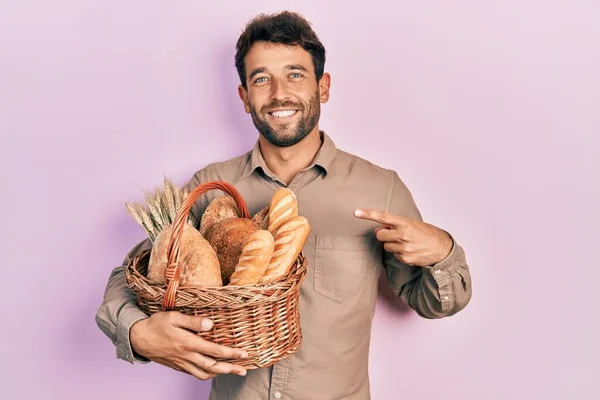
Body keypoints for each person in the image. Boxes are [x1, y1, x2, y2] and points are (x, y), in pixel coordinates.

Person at [96, 11, 472, 400]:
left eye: (295, 74)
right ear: (244, 98)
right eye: (261, 79)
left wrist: (443, 252)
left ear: (323, 87)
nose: (278, 93)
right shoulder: (210, 190)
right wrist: (137, 333)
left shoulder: (380, 189)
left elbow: (432, 302)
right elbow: (130, 277)